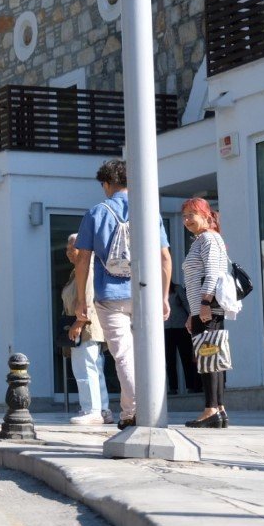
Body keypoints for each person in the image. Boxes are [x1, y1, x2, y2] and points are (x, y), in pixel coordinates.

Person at [74, 159, 172, 430]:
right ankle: (138, 410)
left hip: (110, 296)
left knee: (123, 356)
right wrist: (164, 296)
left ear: (107, 184)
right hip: (146, 294)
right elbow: (165, 258)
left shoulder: (96, 213)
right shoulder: (148, 212)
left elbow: (82, 260)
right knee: (148, 353)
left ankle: (136, 410)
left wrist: (82, 301)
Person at [181, 197, 231, 428]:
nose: (187, 220)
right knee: (213, 356)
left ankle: (211, 409)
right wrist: (193, 312)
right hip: (203, 307)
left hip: (207, 306)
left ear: (206, 216)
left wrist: (203, 304)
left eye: (192, 214)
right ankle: (218, 409)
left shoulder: (209, 239)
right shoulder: (203, 240)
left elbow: (212, 273)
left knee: (208, 356)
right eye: (184, 216)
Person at [61, 233, 112, 425]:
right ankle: (102, 409)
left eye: (71, 248)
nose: (68, 252)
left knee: (86, 367)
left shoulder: (88, 269)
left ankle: (91, 410)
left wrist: (79, 323)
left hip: (86, 326)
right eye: (67, 248)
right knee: (93, 367)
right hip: (82, 326)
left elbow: (89, 299)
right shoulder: (76, 272)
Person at [164, 281, 201, 395]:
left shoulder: (177, 288)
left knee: (185, 358)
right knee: (170, 359)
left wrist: (192, 318)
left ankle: (191, 386)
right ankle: (173, 388)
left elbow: (186, 304)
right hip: (166, 329)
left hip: (181, 327)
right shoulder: (156, 292)